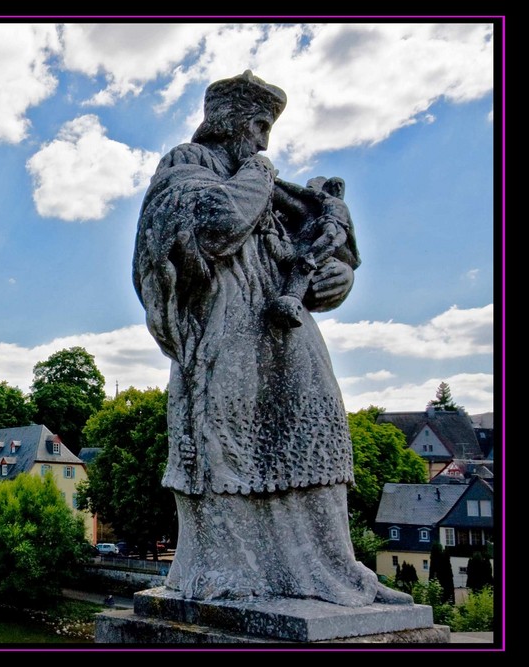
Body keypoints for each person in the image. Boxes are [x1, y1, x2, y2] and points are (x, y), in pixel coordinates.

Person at [132, 71, 409, 607]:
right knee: (229, 451)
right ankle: (226, 574)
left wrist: (337, 281)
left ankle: (334, 572)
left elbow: (304, 257)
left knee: (317, 434)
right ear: (230, 122)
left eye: (268, 133)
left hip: (288, 336)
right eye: (258, 128)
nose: (263, 143)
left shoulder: (272, 191)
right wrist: (259, 170)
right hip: (225, 341)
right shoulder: (186, 168)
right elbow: (218, 225)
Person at [269, 175, 360, 329]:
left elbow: (350, 257)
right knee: (310, 257)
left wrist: (345, 275)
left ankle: (293, 298)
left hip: (309, 244)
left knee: (311, 258)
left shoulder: (333, 205)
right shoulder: (315, 202)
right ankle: (292, 297)